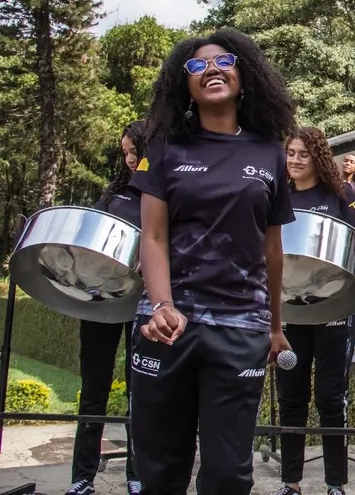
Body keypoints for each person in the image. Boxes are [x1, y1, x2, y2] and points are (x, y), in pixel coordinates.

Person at [128, 29, 297, 495]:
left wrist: (275, 326)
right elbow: (153, 236)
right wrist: (162, 306)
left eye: (223, 61)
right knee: (160, 470)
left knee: (228, 474)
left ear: (244, 76)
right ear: (184, 85)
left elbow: (272, 250)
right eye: (197, 66)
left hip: (240, 326)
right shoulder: (164, 148)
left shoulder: (270, 152)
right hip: (167, 326)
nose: (211, 70)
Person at [273, 127, 355, 495]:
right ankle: (291, 482)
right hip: (291, 309)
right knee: (291, 397)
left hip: (332, 306)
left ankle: (335, 483)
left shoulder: (341, 193)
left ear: (317, 158)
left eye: (303, 154)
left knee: (331, 398)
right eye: (291, 153)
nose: (295, 160)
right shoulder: (278, 195)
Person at [65, 120, 147, 495]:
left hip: (141, 302)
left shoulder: (161, 191)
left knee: (139, 391)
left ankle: (137, 474)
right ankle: (83, 476)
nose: (129, 159)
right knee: (93, 389)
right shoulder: (115, 193)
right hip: (103, 299)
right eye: (125, 152)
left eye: (135, 151)